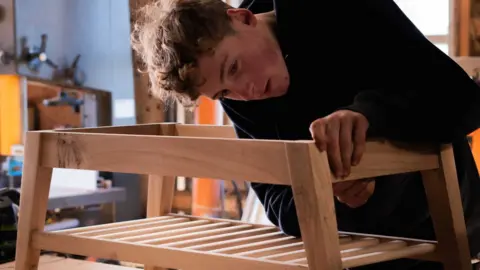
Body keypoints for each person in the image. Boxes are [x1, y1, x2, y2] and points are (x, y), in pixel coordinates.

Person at [131, 0, 480, 269]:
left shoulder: (334, 7)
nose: (246, 91)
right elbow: (277, 202)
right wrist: (328, 192)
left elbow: (462, 103)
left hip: (447, 223)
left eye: (233, 67)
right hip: (357, 245)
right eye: (224, 92)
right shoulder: (243, 100)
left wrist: (368, 115)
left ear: (243, 18)